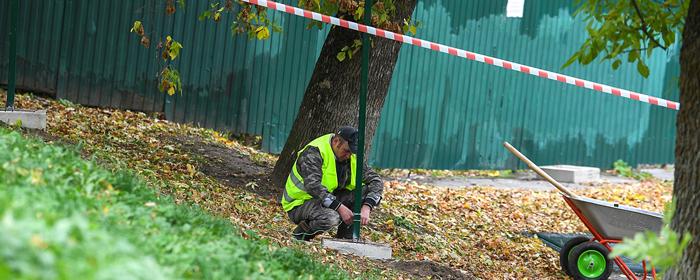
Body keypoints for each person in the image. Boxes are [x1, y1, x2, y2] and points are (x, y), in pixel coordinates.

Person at [281, 126, 383, 241]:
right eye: (347, 151)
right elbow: (313, 187)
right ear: (336, 142)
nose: (349, 155)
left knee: (364, 191)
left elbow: (376, 180)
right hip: (299, 203)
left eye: (352, 152)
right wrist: (339, 207)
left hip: (327, 198)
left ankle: (346, 238)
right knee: (331, 218)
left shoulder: (351, 156)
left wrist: (367, 206)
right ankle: (300, 235)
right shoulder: (314, 152)